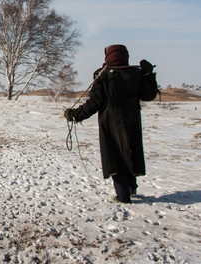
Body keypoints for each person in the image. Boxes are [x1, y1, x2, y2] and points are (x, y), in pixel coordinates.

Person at [64, 44, 158, 203]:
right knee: (129, 151)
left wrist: (75, 115)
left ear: (108, 57)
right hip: (132, 122)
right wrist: (148, 74)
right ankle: (131, 188)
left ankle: (123, 196)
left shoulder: (104, 76)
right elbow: (148, 95)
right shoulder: (136, 75)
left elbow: (94, 103)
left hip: (110, 123)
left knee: (116, 157)